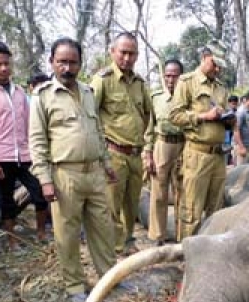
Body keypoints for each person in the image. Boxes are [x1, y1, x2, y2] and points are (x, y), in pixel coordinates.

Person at [29, 38, 117, 302]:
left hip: (95, 173)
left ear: (80, 63)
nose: (67, 67)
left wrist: (107, 163)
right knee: (66, 233)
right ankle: (75, 286)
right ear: (52, 63)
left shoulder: (89, 92)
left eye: (73, 62)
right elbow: (37, 140)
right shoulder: (43, 96)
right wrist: (45, 180)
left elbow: (98, 133)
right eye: (61, 62)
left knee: (103, 228)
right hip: (64, 175)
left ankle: (109, 279)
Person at [0, 41, 49, 252]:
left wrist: (36, 152)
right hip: (3, 156)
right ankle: (12, 240)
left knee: (40, 193)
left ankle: (41, 233)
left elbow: (30, 124)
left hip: (26, 154)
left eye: (6, 63)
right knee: (7, 201)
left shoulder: (19, 92)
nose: (3, 68)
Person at [91, 32, 152, 256]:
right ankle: (113, 248)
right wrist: (102, 152)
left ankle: (127, 241)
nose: (127, 58)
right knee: (111, 204)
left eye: (132, 53)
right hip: (113, 153)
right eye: (123, 52)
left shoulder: (139, 83)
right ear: (112, 52)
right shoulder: (102, 80)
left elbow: (147, 114)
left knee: (132, 203)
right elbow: (91, 116)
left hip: (136, 153)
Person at [169, 40, 230, 239]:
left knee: (217, 210)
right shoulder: (187, 82)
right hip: (197, 155)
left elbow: (223, 113)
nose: (218, 69)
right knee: (192, 211)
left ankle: (212, 253)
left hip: (219, 156)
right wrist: (204, 116)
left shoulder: (221, 88)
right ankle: (185, 255)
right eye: (214, 63)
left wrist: (229, 119)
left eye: (221, 65)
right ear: (204, 57)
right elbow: (175, 116)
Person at [144, 59, 185, 246]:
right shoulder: (156, 97)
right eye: (167, 75)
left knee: (181, 192)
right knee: (158, 193)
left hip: (183, 146)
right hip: (162, 144)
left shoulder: (187, 96)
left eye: (175, 75)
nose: (171, 79)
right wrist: (148, 153)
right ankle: (157, 235)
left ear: (181, 76)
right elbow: (149, 128)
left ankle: (180, 236)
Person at [224, 95, 239, 165]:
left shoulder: (237, 114)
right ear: (229, 103)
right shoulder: (225, 114)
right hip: (226, 142)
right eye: (233, 104)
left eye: (235, 104)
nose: (234, 106)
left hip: (233, 141)